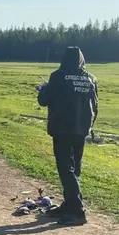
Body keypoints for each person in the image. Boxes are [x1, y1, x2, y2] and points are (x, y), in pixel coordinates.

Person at [37, 46, 98, 225]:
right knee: (74, 169)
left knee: (66, 169)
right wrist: (90, 126)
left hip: (63, 128)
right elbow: (96, 105)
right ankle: (69, 204)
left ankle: (77, 211)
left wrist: (43, 90)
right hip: (81, 129)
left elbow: (44, 100)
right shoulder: (91, 78)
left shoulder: (58, 76)